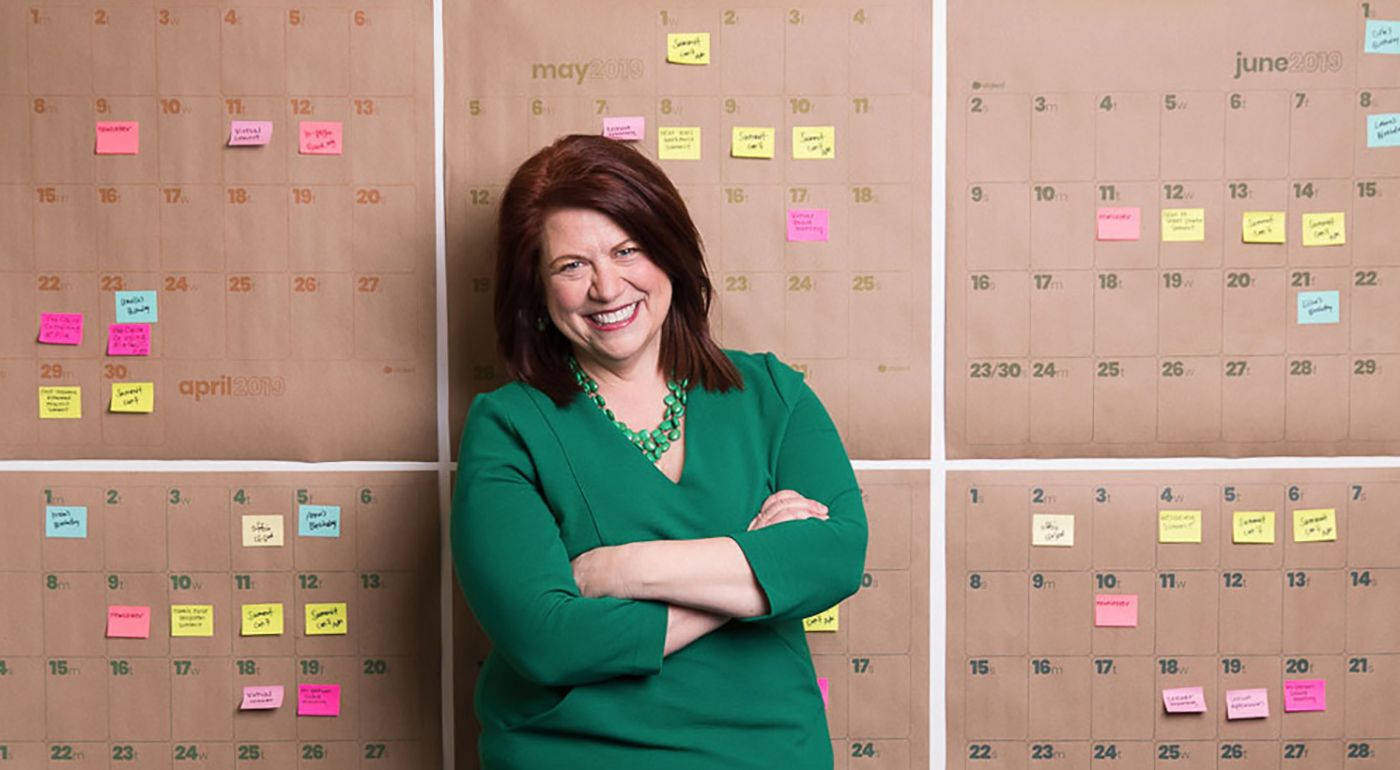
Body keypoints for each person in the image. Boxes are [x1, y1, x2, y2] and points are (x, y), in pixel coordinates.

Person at [452, 134, 868, 769]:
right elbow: (547, 640)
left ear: (668, 251)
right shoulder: (508, 426)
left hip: (766, 751)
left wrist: (621, 569)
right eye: (571, 266)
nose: (606, 286)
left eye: (627, 250)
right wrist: (758, 569)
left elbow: (835, 557)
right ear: (536, 288)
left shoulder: (771, 393)